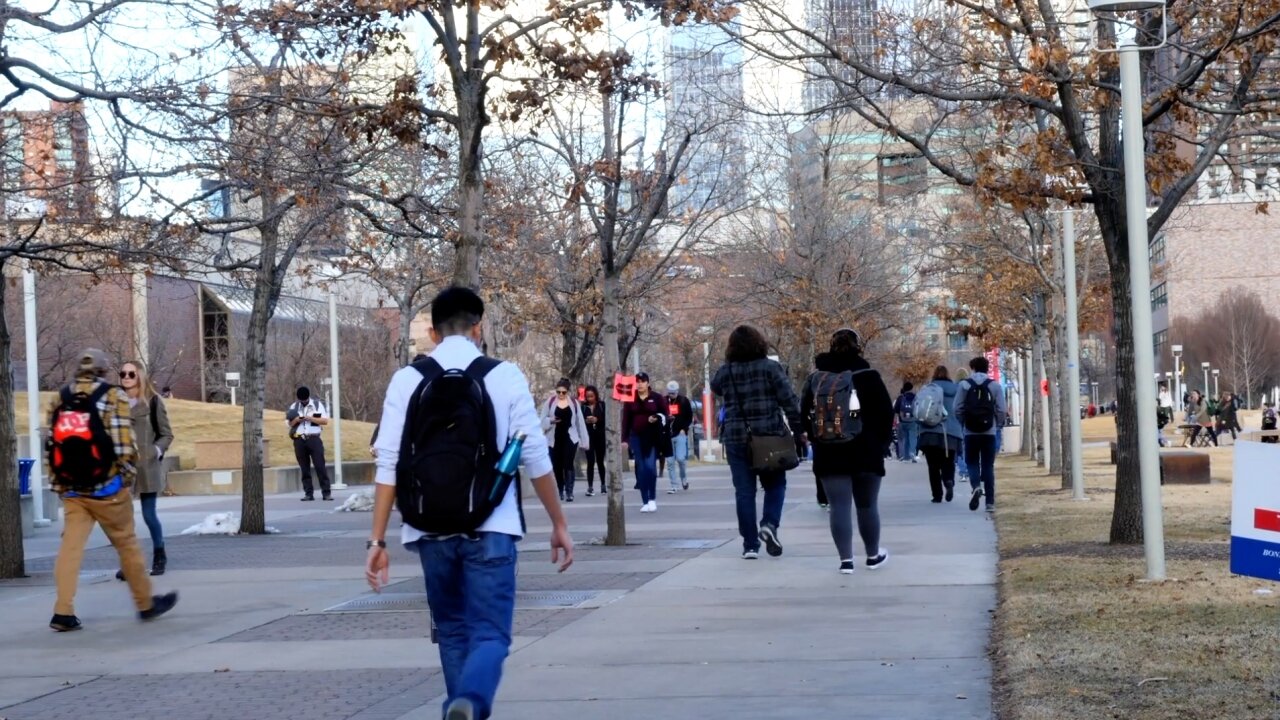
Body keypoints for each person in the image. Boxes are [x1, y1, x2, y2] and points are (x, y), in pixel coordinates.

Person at [365, 287, 573, 720]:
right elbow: (534, 455)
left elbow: (387, 463)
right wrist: (559, 523)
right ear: (479, 327)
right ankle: (470, 701)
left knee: (453, 632)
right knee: (490, 634)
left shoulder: (407, 379)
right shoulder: (504, 375)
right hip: (492, 523)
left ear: (431, 331)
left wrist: (377, 540)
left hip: (428, 527)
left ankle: (459, 706)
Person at [47, 349, 178, 632]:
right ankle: (145, 603)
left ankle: (63, 611)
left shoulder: (61, 397)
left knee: (70, 549)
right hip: (107, 490)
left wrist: (61, 486)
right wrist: (126, 478)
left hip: (72, 491)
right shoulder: (112, 396)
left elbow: (52, 443)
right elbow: (123, 446)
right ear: (105, 371)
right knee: (127, 544)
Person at [800, 328, 892, 574]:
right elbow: (885, 414)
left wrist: (816, 439)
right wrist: (882, 445)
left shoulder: (816, 379)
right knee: (867, 506)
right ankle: (873, 555)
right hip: (867, 450)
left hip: (830, 452)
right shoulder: (869, 376)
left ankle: (846, 561)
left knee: (839, 506)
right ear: (858, 347)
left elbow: (804, 414)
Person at [710, 325, 804, 560]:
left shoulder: (726, 372)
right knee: (775, 484)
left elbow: (715, 387)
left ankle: (750, 545)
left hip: (735, 437)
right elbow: (789, 401)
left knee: (744, 492)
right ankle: (769, 524)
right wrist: (799, 429)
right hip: (769, 438)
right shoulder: (771, 368)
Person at [113, 360, 174, 579]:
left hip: (146, 466)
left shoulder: (153, 401)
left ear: (140, 375)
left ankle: (160, 555)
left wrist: (155, 452)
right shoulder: (114, 402)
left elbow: (166, 434)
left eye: (131, 373)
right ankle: (129, 563)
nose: (126, 377)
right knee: (123, 518)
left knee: (149, 515)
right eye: (123, 374)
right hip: (120, 467)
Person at [954, 356, 1007, 513]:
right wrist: (997, 424)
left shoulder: (964, 385)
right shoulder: (994, 386)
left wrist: (963, 422)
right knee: (988, 465)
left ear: (973, 368)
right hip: (989, 431)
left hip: (970, 431)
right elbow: (1002, 410)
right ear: (986, 368)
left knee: (971, 462)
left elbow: (957, 408)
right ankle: (990, 502)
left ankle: (976, 486)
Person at [620, 372, 668, 512]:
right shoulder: (630, 399)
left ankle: (652, 498)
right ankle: (645, 501)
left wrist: (656, 418)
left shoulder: (656, 398)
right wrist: (624, 439)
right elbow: (626, 420)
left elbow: (665, 415)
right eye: (638, 381)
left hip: (652, 436)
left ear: (648, 383)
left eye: (642, 381)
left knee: (650, 468)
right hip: (636, 437)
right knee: (640, 469)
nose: (640, 384)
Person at [917, 366, 962, 504]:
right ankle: (948, 481)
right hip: (950, 433)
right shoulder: (956, 389)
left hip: (930, 432)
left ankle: (937, 495)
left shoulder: (928, 389)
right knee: (948, 462)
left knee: (933, 466)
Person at [540, 378, 589, 502]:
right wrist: (550, 420)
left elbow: (580, 423)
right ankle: (560, 489)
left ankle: (569, 491)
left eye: (563, 392)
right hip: (554, 439)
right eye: (558, 392)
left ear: (568, 391)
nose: (561, 394)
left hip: (570, 438)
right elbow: (541, 421)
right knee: (557, 465)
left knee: (568, 463)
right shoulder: (550, 402)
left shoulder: (574, 403)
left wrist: (585, 441)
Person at [288, 385, 332, 501]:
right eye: (301, 400)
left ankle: (326, 493)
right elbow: (289, 424)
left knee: (320, 466)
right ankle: (308, 493)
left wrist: (310, 418)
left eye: (305, 400)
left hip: (314, 438)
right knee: (304, 468)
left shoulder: (317, 405)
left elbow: (325, 421)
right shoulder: (294, 407)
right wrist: (297, 420)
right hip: (299, 439)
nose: (303, 402)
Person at [664, 381, 694, 493]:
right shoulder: (664, 401)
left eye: (674, 393)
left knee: (681, 459)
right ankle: (673, 486)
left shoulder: (683, 401)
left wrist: (684, 429)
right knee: (670, 462)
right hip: (667, 435)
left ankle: (684, 479)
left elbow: (689, 417)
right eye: (670, 393)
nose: (672, 395)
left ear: (677, 391)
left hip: (680, 434)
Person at [581, 385, 608, 496]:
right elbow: (580, 421)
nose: (590, 399)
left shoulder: (601, 405)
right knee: (590, 461)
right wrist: (586, 421)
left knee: (600, 461)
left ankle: (603, 484)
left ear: (596, 395)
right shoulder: (583, 407)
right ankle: (590, 486)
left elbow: (607, 419)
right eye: (588, 397)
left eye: (592, 396)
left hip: (600, 436)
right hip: (589, 436)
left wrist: (597, 419)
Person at [893, 382, 919, 463]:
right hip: (913, 420)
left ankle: (905, 456)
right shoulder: (915, 397)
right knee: (913, 437)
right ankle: (912, 453)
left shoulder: (900, 398)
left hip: (902, 421)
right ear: (911, 388)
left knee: (904, 438)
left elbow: (896, 409)